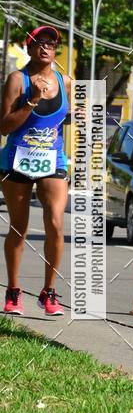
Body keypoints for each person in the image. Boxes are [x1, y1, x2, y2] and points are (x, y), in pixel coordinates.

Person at [0, 25, 71, 316]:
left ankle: (49, 292)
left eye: (51, 44)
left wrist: (79, 114)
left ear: (55, 51)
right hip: (17, 160)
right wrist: (32, 101)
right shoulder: (17, 80)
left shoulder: (65, 81)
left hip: (52, 160)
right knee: (19, 227)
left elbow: (65, 118)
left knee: (55, 222)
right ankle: (13, 291)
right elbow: (4, 127)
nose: (45, 47)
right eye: (39, 43)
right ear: (29, 48)